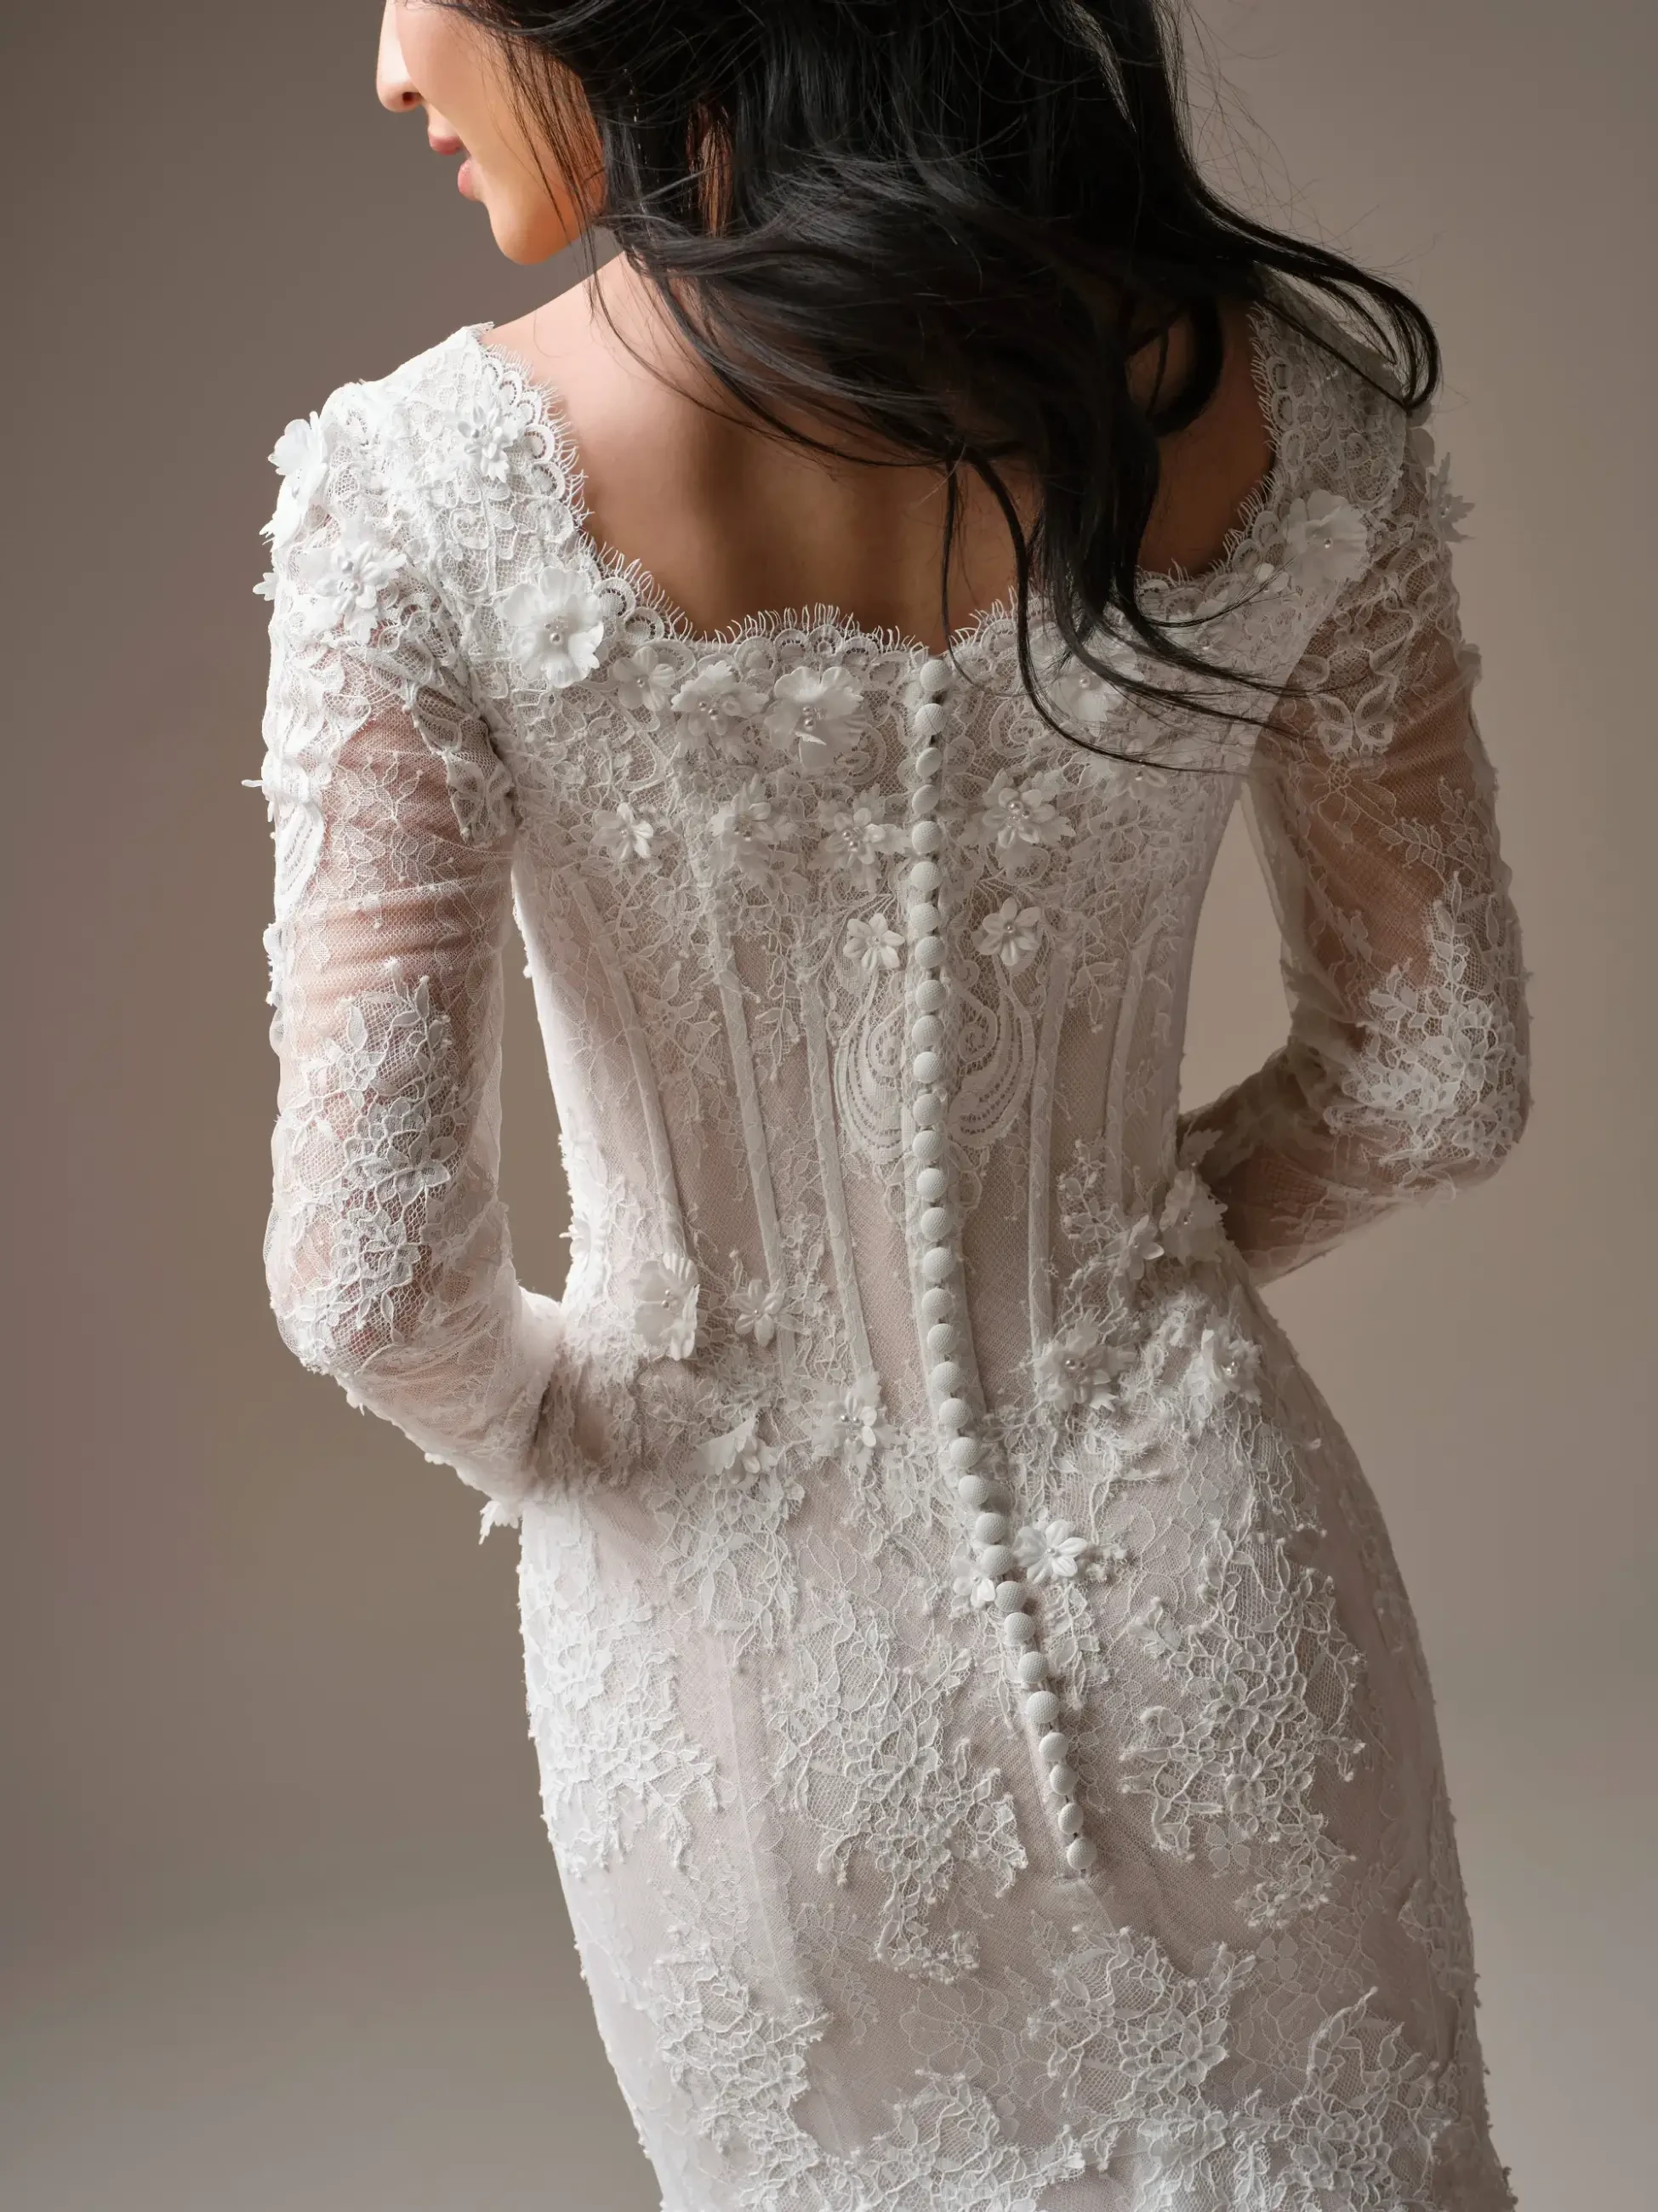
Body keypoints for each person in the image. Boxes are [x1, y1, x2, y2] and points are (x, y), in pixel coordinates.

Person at [254, 3, 1530, 2204]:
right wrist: (1134, 1261)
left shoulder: (416, 498)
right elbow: (1437, 1077)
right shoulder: (1281, 410)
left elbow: (369, 1276)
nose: (389, 59)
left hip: (734, 1684)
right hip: (1219, 1595)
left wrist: (564, 1430)